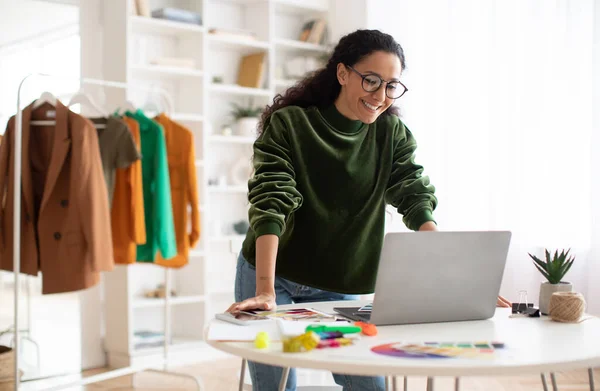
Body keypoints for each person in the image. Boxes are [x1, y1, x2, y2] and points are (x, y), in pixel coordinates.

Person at [227, 29, 511, 391]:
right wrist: (265, 289)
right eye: (371, 80)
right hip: (272, 274)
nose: (380, 96)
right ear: (343, 74)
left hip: (337, 283)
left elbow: (414, 195)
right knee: (278, 385)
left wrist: (453, 275)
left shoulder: (391, 134)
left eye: (391, 85)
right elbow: (271, 200)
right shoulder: (292, 125)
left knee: (371, 386)